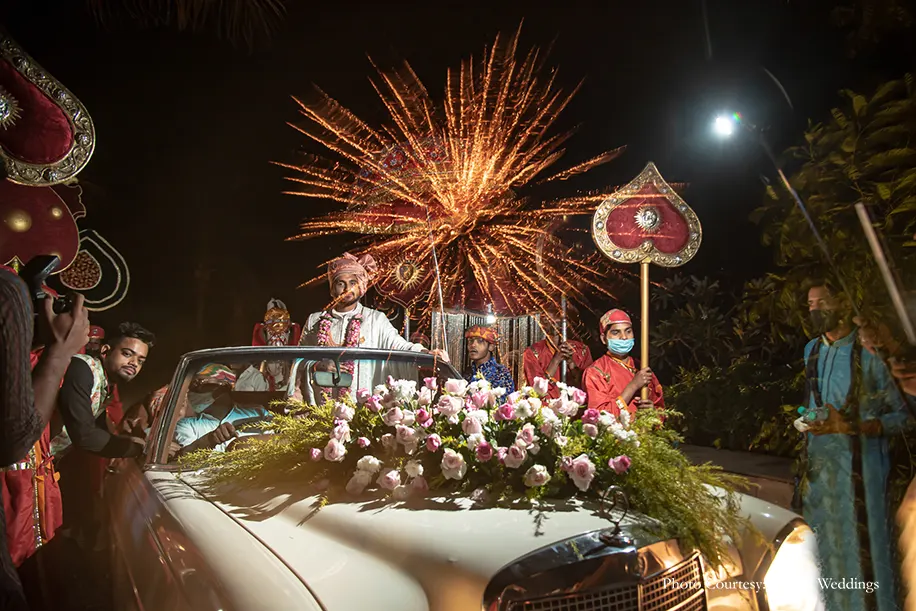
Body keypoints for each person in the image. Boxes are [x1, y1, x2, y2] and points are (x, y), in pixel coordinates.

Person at [799, 279, 913, 611]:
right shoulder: (811, 351)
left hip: (864, 476)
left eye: (823, 302)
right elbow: (809, 402)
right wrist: (806, 419)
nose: (816, 310)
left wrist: (849, 426)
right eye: (810, 305)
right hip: (821, 476)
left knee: (869, 561)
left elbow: (904, 418)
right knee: (824, 556)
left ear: (844, 306)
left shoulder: (870, 353)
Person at [0, 267, 89, 610]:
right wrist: (61, 349)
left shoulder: (61, 364)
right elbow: (15, 436)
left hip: (34, 490)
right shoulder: (42, 358)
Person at [53, 322, 155, 550]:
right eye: (127, 354)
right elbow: (86, 436)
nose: (133, 364)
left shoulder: (106, 383)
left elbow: (101, 432)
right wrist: (137, 448)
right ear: (105, 351)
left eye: (140, 361)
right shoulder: (82, 369)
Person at [299, 253, 445, 394]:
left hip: (361, 408)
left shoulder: (375, 320)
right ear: (332, 289)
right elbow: (297, 361)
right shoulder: (315, 321)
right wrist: (317, 365)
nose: (347, 289)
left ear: (361, 288)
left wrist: (426, 354)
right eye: (340, 283)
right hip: (320, 406)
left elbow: (400, 347)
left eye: (353, 282)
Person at [174, 363, 271, 454]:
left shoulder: (258, 413)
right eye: (191, 387)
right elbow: (185, 461)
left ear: (223, 388)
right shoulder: (188, 426)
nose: (191, 392)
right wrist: (209, 440)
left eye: (199, 385)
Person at [582, 309, 663, 416]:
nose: (624, 337)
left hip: (645, 431)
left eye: (628, 331)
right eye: (616, 333)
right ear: (603, 339)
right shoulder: (595, 372)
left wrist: (652, 412)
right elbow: (599, 417)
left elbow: (661, 409)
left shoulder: (642, 368)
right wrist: (633, 386)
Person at [523, 309, 592, 398]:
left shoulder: (582, 350)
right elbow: (535, 392)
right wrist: (555, 361)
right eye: (546, 318)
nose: (553, 321)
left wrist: (571, 363)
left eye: (557, 315)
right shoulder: (532, 353)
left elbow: (589, 386)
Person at [237, 298, 302, 392]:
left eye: (283, 330)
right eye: (271, 331)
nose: (277, 338)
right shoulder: (249, 378)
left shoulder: (300, 378)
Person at [464, 325, 515, 392]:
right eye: (471, 341)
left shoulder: (500, 372)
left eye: (480, 341)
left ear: (491, 347)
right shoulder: (467, 373)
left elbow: (504, 400)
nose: (473, 345)